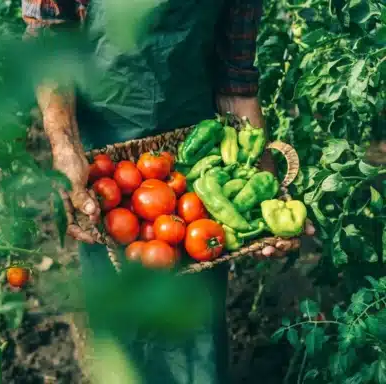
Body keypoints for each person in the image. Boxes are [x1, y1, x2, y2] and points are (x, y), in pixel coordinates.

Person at [22, 0, 313, 382]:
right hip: (106, 157)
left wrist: (263, 184)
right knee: (121, 304)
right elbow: (49, 38)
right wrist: (65, 147)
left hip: (191, 156)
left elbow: (236, 76)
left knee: (195, 316)